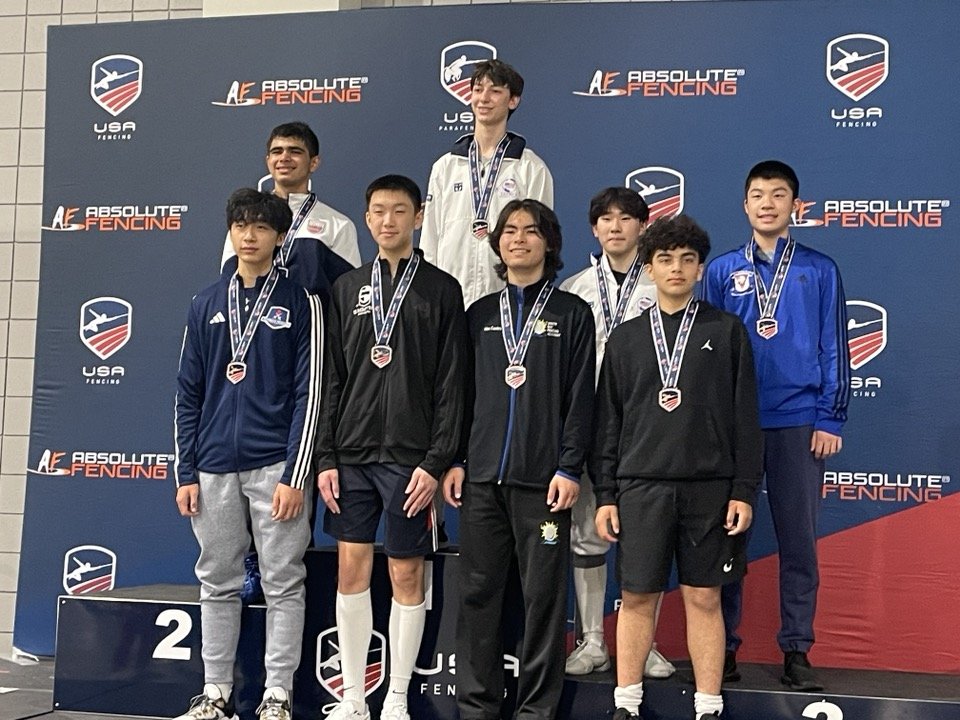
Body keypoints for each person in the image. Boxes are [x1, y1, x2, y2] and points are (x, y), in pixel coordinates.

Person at [593, 214, 762, 720]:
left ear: (700, 268)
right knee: (636, 597)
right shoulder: (624, 339)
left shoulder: (726, 331)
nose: (676, 268)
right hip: (640, 487)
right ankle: (626, 703)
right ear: (649, 268)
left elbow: (745, 419)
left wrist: (743, 490)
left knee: (704, 598)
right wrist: (605, 494)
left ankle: (708, 706)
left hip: (708, 488)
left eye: (687, 259)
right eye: (665, 259)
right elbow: (608, 423)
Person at [314, 175, 468, 720]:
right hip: (352, 457)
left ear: (418, 216)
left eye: (399, 211)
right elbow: (331, 379)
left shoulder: (442, 290)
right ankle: (353, 696)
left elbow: (454, 386)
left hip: (411, 459)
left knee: (407, 573)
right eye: (377, 211)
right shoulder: (345, 289)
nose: (387, 221)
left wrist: (436, 461)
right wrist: (326, 457)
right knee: (350, 570)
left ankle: (397, 696)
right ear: (366, 217)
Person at [174, 189, 323, 720]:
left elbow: (312, 393)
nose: (249, 235)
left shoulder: (302, 303)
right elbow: (189, 393)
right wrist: (185, 470)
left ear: (280, 236)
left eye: (261, 227)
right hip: (212, 467)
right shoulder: (205, 303)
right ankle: (215, 693)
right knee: (216, 581)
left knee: (284, 580)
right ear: (231, 233)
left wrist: (295, 473)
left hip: (274, 467)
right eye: (241, 225)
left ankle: (277, 694)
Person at [444, 199, 595, 720]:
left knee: (543, 603)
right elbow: (459, 395)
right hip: (482, 482)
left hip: (544, 485)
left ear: (548, 241)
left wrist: (570, 466)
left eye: (531, 231)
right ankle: (476, 709)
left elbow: (581, 399)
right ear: (497, 242)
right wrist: (458, 459)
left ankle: (535, 711)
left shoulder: (574, 313)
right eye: (509, 230)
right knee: (479, 598)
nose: (518, 238)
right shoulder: (480, 314)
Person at [703, 160, 850, 691]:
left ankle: (796, 648)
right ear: (745, 205)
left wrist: (830, 413)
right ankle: (721, 648)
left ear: (796, 206)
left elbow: (834, 346)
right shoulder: (720, 271)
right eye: (758, 194)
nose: (767, 202)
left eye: (779, 194)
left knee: (799, 540)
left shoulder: (819, 269)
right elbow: (708, 353)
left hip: (798, 421)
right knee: (727, 540)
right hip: (735, 424)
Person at [560, 187, 675, 679]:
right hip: (589, 425)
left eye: (625, 219)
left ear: (643, 227)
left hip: (647, 427)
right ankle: (591, 641)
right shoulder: (575, 289)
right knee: (587, 536)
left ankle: (641, 642)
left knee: (645, 539)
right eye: (605, 219)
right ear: (593, 229)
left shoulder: (664, 287)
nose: (614, 227)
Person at [420, 60, 554, 307]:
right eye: (478, 89)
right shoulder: (446, 166)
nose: (484, 98)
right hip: (450, 300)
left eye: (495, 91)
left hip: (506, 299)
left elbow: (540, 239)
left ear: (513, 101)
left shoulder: (530, 168)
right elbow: (430, 238)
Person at [221, 121, 360, 301]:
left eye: (295, 151)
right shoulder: (245, 222)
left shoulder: (337, 225)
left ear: (314, 162)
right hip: (253, 326)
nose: (284, 157)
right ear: (268, 161)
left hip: (314, 327)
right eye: (277, 151)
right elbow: (229, 284)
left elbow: (349, 297)